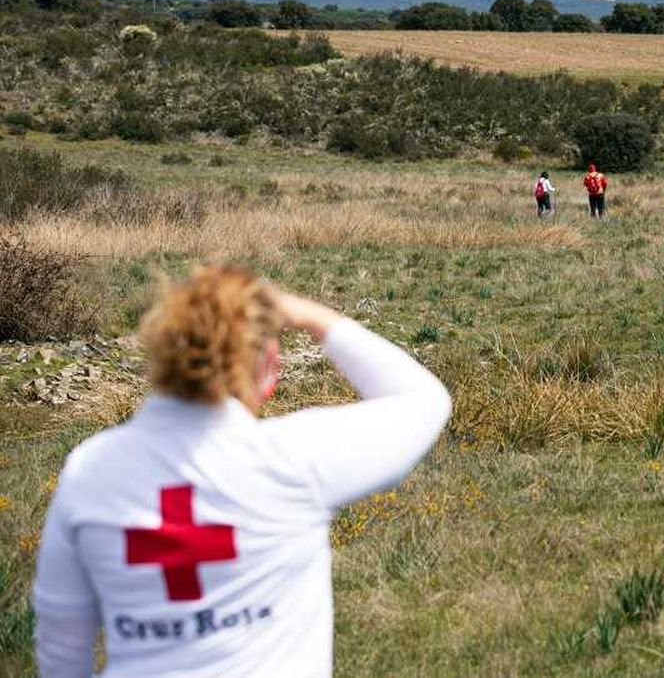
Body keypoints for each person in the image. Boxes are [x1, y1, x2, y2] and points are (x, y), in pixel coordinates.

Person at [31, 266, 451, 678]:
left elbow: (61, 642)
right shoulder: (293, 460)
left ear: (159, 356)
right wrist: (308, 315)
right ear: (269, 366)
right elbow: (425, 400)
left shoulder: (89, 470)